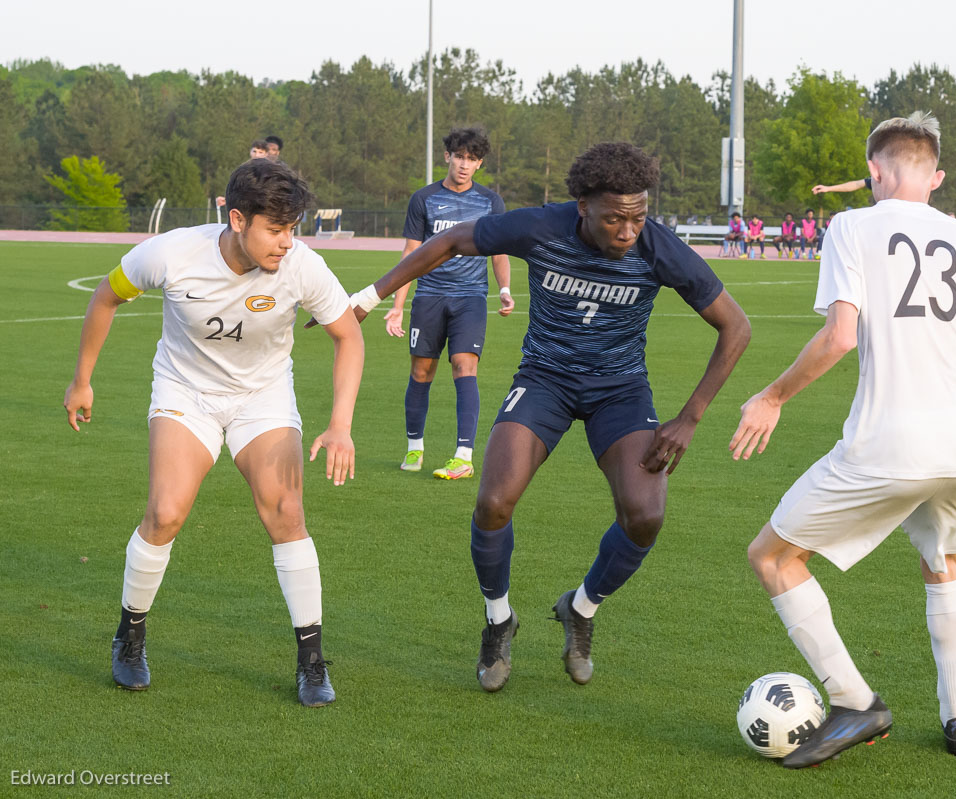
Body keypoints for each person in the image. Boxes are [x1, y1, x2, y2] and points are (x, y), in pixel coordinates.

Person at [338, 142, 751, 693]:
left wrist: (690, 417)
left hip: (620, 391)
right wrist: (368, 297)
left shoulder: (658, 248)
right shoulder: (540, 226)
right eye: (614, 219)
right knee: (492, 502)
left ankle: (580, 609)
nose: (628, 231)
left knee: (645, 516)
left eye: (638, 217)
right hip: (545, 381)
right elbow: (450, 241)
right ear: (582, 207)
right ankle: (499, 620)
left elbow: (736, 327)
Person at [730, 111, 956, 768]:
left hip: (888, 446)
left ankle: (854, 700)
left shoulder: (851, 226)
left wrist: (772, 396)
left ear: (875, 173)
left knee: (773, 556)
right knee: (943, 564)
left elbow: (840, 337)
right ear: (935, 177)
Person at [63, 160, 364, 707]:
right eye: (274, 230)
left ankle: (312, 659)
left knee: (286, 514)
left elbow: (348, 336)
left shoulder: (303, 267)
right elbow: (105, 296)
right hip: (186, 393)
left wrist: (340, 423)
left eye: (293, 229)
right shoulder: (170, 254)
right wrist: (82, 380)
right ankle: (130, 637)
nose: (286, 243)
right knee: (166, 512)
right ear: (236, 219)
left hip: (263, 398)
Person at [385, 127, 513, 480]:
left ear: (479, 163)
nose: (464, 164)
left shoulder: (491, 202)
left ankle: (464, 455)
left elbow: (498, 252)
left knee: (463, 365)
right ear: (447, 157)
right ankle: (414, 447)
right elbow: (410, 255)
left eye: (471, 159)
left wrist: (504, 289)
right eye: (459, 156)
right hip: (428, 296)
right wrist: (398, 305)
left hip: (471, 299)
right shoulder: (423, 199)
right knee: (421, 372)